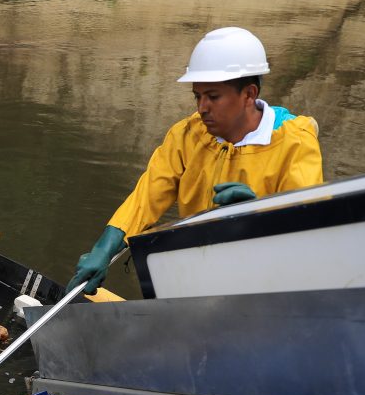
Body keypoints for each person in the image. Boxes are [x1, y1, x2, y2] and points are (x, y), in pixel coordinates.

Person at [68, 26, 323, 295]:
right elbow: (146, 198)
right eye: (197, 96)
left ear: (249, 95)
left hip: (264, 286)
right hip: (199, 274)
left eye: (213, 97)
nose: (202, 107)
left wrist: (257, 216)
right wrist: (105, 248)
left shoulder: (293, 143)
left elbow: (307, 232)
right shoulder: (189, 135)